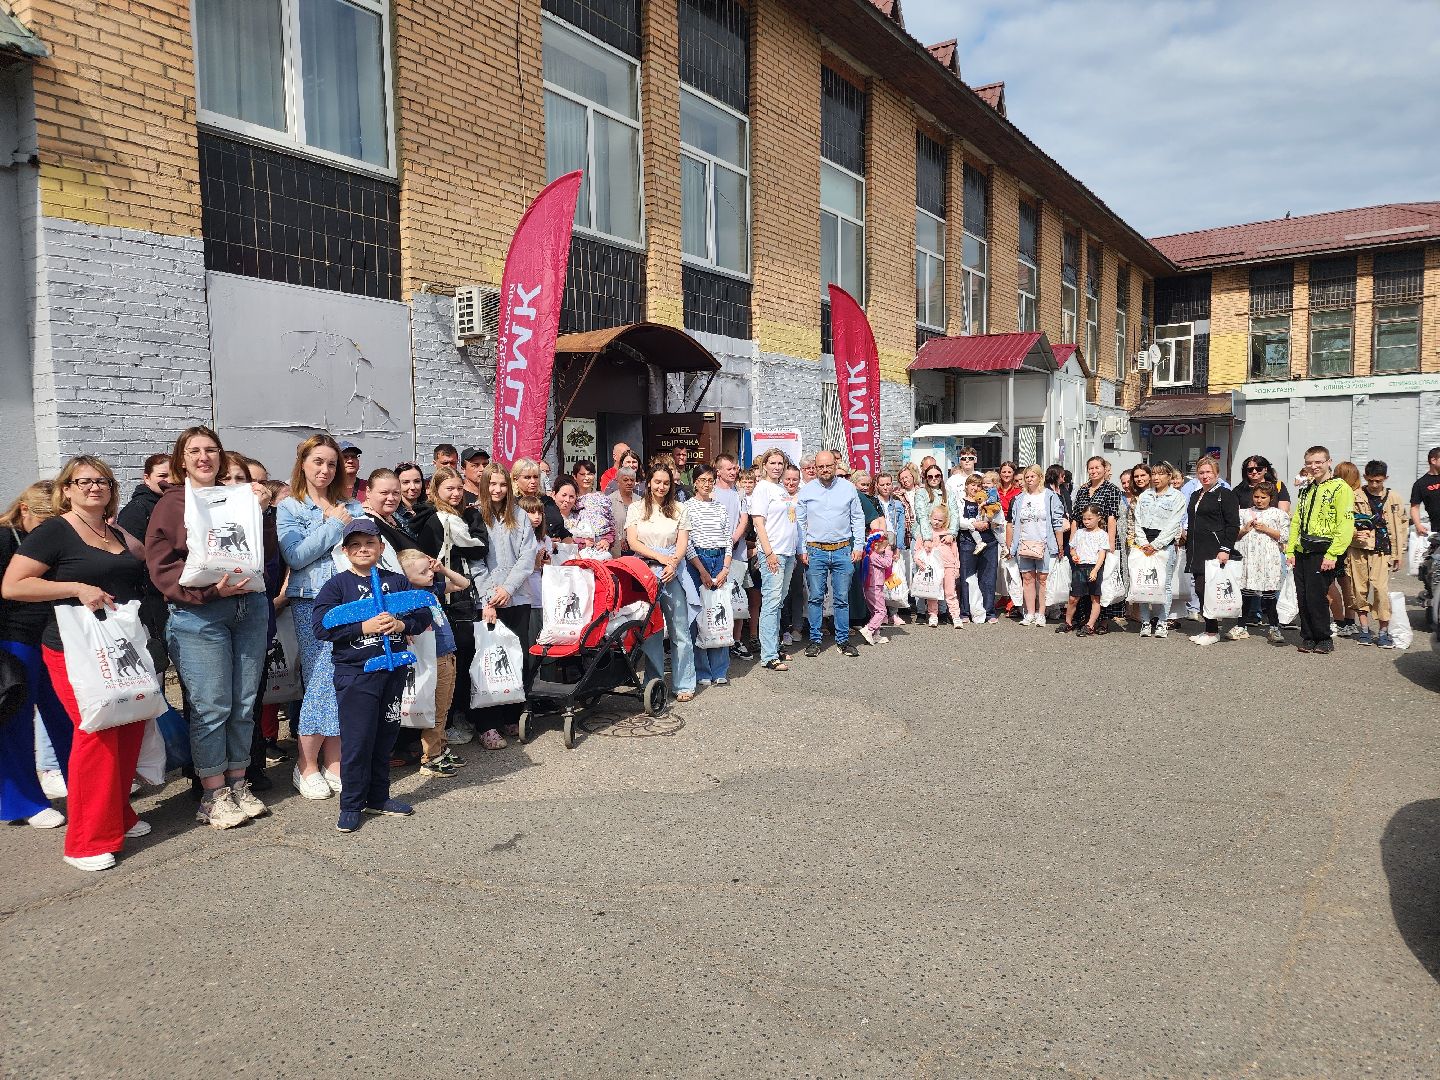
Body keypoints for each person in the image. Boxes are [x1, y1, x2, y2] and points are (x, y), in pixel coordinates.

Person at [2, 457, 148, 871]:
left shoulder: (113, 529)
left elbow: (137, 564)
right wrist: (75, 587)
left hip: (120, 645)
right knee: (97, 735)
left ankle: (118, 815)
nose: (93, 487)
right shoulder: (54, 531)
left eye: (102, 480)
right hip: (73, 648)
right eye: (83, 481)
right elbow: (13, 585)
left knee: (128, 727)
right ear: (66, 489)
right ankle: (85, 841)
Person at [145, 426, 274, 829]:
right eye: (195, 451)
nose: (204, 457)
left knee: (244, 702)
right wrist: (206, 593)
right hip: (200, 614)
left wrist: (263, 511)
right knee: (211, 706)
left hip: (248, 606)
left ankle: (238, 781)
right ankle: (213, 793)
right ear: (181, 459)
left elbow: (264, 551)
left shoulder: (238, 498)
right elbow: (160, 566)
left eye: (211, 450)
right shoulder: (171, 504)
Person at [313, 520, 431, 833]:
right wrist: (362, 627)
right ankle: (351, 804)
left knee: (385, 737)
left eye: (369, 543)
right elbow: (322, 627)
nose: (363, 549)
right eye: (355, 545)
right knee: (357, 740)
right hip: (356, 674)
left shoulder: (398, 581)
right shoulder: (337, 586)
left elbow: (423, 614)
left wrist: (401, 625)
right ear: (345, 551)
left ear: (381, 547)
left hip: (393, 672)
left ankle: (379, 796)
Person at [277, 434, 364, 800]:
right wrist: (333, 525)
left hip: (351, 599)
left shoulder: (352, 507)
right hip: (312, 600)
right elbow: (295, 556)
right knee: (320, 679)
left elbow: (365, 550)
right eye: (318, 462)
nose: (325, 470)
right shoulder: (291, 508)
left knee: (344, 676)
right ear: (303, 464)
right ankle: (305, 764)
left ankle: (334, 761)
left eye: (331, 463)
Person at [0, 482, 69, 831]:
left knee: (67, 715)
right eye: (46, 520)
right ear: (25, 510)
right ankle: (24, 801)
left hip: (56, 636)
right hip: (14, 640)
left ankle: (81, 784)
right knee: (14, 721)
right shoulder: (3, 538)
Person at [417, 465, 486, 745]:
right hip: (447, 598)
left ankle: (453, 720)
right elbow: (478, 546)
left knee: (462, 659)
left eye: (459, 488)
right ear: (436, 491)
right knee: (451, 662)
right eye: (450, 489)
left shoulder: (457, 517)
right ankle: (447, 724)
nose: (456, 493)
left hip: (460, 593)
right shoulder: (438, 519)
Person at [471, 464, 538, 744]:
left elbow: (527, 556)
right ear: (485, 485)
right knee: (488, 661)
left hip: (517, 597)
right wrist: (489, 596)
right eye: (492, 484)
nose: (497, 490)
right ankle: (488, 724)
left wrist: (508, 589)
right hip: (487, 601)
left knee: (515, 657)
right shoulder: (475, 515)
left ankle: (512, 716)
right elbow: (473, 560)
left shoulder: (520, 515)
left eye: (502, 485)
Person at [624, 463, 696, 702]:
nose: (661, 487)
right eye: (657, 482)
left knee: (680, 630)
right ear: (648, 482)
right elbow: (633, 542)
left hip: (672, 572)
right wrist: (659, 558)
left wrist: (672, 564)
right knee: (652, 630)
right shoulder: (636, 508)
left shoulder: (679, 509)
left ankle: (684, 682)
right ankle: (654, 684)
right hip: (645, 572)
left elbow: (682, 543)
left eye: (666, 483)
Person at [396, 549, 467, 777]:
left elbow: (462, 584)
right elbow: (402, 621)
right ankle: (431, 757)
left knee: (444, 706)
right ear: (406, 577)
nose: (429, 574)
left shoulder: (432, 590)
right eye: (423, 572)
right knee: (435, 708)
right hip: (432, 657)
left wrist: (442, 569)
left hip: (447, 653)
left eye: (429, 569)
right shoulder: (409, 599)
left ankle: (441, 748)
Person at [795, 450, 865, 658]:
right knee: (816, 597)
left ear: (836, 465)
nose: (825, 470)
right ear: (814, 468)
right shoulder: (807, 491)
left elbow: (858, 518)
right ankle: (815, 640)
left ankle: (843, 641)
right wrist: (801, 549)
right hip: (815, 551)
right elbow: (799, 522)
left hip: (843, 549)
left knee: (842, 598)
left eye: (828, 466)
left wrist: (858, 546)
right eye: (820, 467)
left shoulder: (848, 488)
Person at [1286, 446, 1354, 655]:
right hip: (1302, 550)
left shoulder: (1340, 488)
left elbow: (1345, 523)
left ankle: (1323, 638)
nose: (1313, 466)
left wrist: (1333, 554)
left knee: (1317, 596)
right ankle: (1308, 637)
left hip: (1324, 550)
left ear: (1328, 462)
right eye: (1309, 463)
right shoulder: (1306, 488)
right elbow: (1297, 519)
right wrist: (1290, 550)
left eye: (1318, 462)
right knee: (1303, 595)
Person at [681, 465, 734, 688]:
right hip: (697, 561)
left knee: (719, 614)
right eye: (702, 480)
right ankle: (702, 669)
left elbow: (728, 538)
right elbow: (688, 542)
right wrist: (701, 569)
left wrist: (725, 567)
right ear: (694, 482)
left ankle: (720, 668)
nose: (706, 484)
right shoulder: (686, 507)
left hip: (719, 558)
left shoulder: (720, 507)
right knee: (699, 615)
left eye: (710, 480)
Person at [1347, 460, 1406, 649]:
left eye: (1378, 481)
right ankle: (1364, 630)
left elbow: (1401, 526)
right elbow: (1345, 521)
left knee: (1380, 590)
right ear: (1365, 477)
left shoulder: (1394, 498)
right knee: (1359, 590)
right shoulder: (1354, 496)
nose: (1374, 485)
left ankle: (1383, 632)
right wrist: (1353, 532)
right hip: (1359, 548)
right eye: (1371, 480)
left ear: (1385, 479)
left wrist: (1399, 553)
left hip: (1383, 550)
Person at [1184, 455, 1241, 646]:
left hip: (1215, 549)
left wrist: (1225, 548)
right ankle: (1210, 628)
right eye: (1201, 472)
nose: (1205, 475)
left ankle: (1212, 630)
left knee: (1207, 589)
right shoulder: (1195, 494)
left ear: (1217, 473)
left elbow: (1233, 524)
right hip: (1196, 548)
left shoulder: (1225, 494)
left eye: (1209, 472)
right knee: (1200, 589)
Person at [749, 451, 798, 670]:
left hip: (787, 552)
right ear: (765, 465)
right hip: (774, 552)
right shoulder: (762, 488)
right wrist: (768, 553)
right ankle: (768, 655)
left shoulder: (781, 489)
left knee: (779, 601)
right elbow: (759, 523)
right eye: (773, 463)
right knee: (770, 602)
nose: (777, 467)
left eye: (780, 463)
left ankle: (774, 645)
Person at [1005, 465, 1067, 626]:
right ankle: (1030, 613)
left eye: (1033, 476)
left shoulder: (1050, 496)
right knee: (1027, 578)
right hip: (1024, 543)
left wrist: (1060, 545)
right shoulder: (1019, 498)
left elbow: (1057, 523)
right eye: (1027, 477)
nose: (1029, 479)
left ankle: (1042, 613)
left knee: (1043, 579)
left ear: (1040, 477)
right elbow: (1013, 523)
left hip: (1045, 543)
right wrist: (1012, 547)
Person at [1131, 462, 1187, 638]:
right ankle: (1145, 622)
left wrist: (1156, 544)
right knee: (1143, 583)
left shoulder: (1177, 497)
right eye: (1154, 474)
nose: (1156, 477)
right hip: (1143, 543)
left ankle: (1162, 622)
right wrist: (1142, 542)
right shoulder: (1145, 495)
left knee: (1164, 583)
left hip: (1164, 544)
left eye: (1161, 474)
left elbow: (1173, 524)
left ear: (1169, 476)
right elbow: (1137, 520)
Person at [1235, 482, 1290, 646]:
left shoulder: (1279, 514)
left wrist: (1266, 529)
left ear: (1271, 498)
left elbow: (1285, 536)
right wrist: (1244, 529)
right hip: (1248, 559)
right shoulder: (1244, 513)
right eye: (1256, 497)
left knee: (1269, 595)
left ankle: (1274, 627)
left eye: (1263, 497)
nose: (1259, 500)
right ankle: (1241, 626)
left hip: (1269, 560)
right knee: (1245, 594)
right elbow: (1234, 535)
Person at [1070, 457, 1121, 629]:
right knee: (1083, 579)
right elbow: (1076, 518)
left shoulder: (1111, 489)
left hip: (1103, 539)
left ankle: (1104, 621)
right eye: (1090, 468)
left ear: (1104, 468)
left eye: (1097, 467)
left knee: (1102, 581)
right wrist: (1072, 541)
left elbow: (1112, 517)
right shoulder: (1082, 490)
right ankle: (1084, 618)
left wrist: (1111, 543)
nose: (1094, 471)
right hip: (1083, 540)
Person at [956, 473, 1004, 624]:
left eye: (979, 485)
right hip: (968, 542)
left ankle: (989, 611)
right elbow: (957, 521)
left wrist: (989, 523)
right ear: (967, 486)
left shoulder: (991, 500)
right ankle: (965, 611)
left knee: (988, 578)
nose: (976, 488)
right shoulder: (961, 501)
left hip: (989, 541)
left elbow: (999, 519)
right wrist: (973, 524)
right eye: (973, 485)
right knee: (967, 577)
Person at [1060, 506, 1109, 637]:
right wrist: (1074, 555)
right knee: (1073, 597)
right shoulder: (1079, 532)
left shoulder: (1103, 534)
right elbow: (1072, 548)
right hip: (1079, 567)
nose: (1086, 521)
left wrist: (1095, 570)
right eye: (1084, 519)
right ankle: (1068, 622)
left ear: (1098, 518)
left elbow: (1102, 554)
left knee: (1095, 597)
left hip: (1094, 567)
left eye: (1089, 518)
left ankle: (1090, 625)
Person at [918, 502, 962, 628]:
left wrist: (956, 567)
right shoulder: (925, 533)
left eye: (940, 520)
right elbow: (918, 550)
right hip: (932, 568)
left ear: (945, 521)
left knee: (950, 592)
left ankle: (955, 616)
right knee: (933, 592)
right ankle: (933, 615)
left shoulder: (949, 534)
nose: (936, 522)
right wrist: (919, 562)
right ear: (930, 518)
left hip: (948, 566)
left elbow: (955, 552)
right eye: (934, 519)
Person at [856, 532, 893, 646]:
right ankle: (869, 629)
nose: (884, 550)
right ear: (876, 546)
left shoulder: (870, 554)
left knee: (875, 612)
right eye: (883, 547)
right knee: (881, 611)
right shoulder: (873, 555)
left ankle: (875, 635)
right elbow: (887, 563)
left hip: (872, 587)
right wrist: (889, 552)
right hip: (874, 587)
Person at [607, 466, 640, 557]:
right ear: (618, 482)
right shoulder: (609, 500)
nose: (629, 483)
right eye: (625, 480)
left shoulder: (640, 501)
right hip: (616, 548)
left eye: (632, 480)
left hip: (636, 548)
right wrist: (620, 538)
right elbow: (608, 524)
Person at [393, 462, 428, 541]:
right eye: (406, 482)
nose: (412, 487)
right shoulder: (392, 515)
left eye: (417, 481)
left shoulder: (431, 510)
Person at [1410, 445, 1440, 536]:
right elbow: (1414, 507)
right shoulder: (1420, 484)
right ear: (1433, 460)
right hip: (1437, 530)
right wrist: (1418, 525)